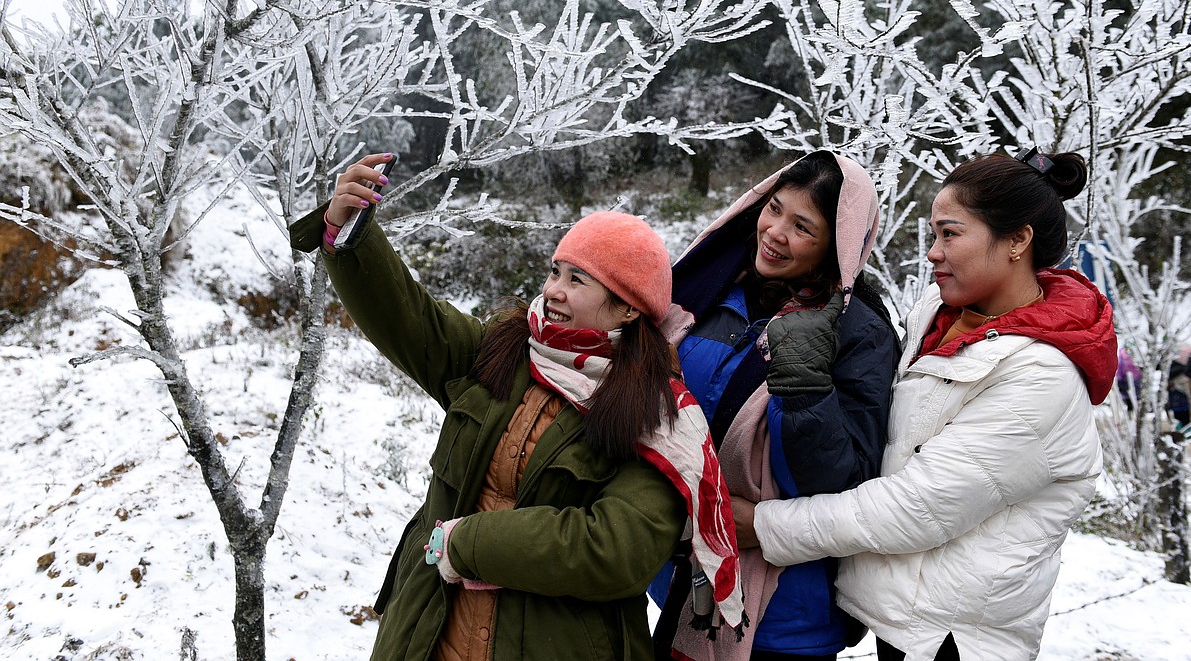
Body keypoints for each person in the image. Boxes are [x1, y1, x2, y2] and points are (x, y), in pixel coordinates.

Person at [288, 153, 744, 661]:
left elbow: (618, 549)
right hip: (430, 633)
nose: (553, 290)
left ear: (629, 306)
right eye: (556, 271)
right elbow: (410, 317)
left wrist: (469, 544)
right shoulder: (506, 353)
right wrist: (348, 233)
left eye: (578, 280)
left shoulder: (655, 416)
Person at [743, 147, 1118, 661]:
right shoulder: (942, 316)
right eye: (933, 234)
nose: (933, 253)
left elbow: (915, 509)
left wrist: (762, 524)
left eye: (950, 233)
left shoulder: (1041, 375)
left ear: (1017, 240)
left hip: (958, 638)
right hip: (906, 617)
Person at [649, 150, 901, 661]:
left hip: (785, 610)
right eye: (775, 208)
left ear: (838, 245)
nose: (775, 231)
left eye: (802, 226)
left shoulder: (860, 334)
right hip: (684, 577)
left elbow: (844, 480)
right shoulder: (714, 293)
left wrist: (804, 383)